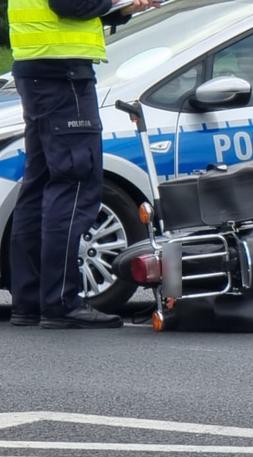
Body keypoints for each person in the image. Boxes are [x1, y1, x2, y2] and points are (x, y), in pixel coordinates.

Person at [8, 0, 159, 329]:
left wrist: (125, 7)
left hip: (38, 69)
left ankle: (31, 300)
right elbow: (71, 4)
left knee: (39, 186)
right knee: (73, 183)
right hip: (64, 76)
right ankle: (61, 302)